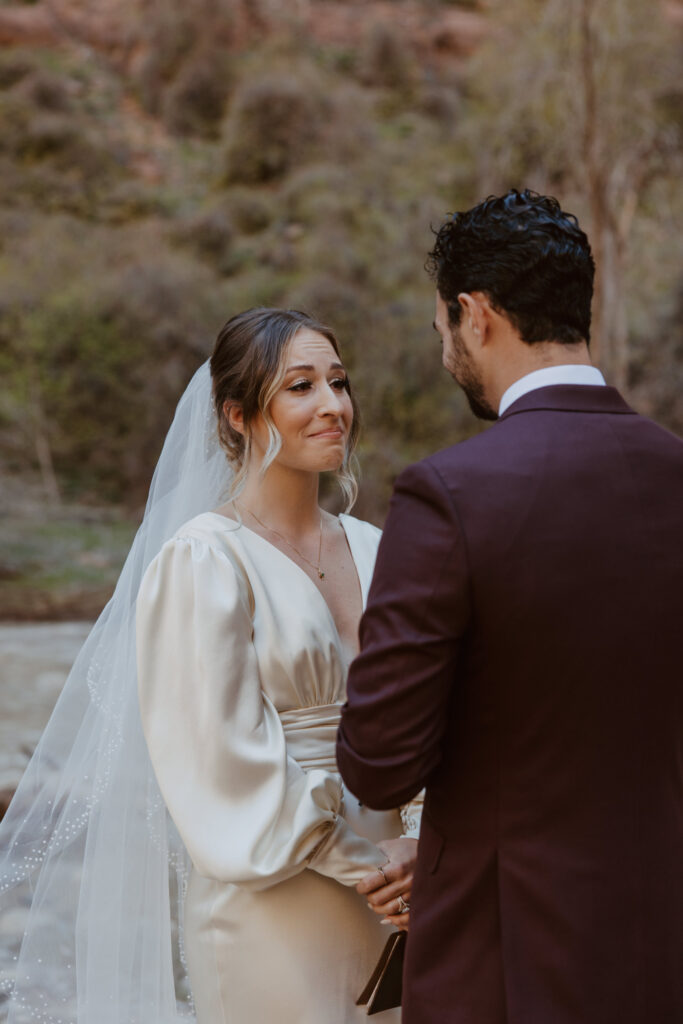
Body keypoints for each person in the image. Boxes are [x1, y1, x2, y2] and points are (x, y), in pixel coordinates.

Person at [0, 308, 419, 1024]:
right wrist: (363, 862)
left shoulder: (383, 547)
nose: (332, 406)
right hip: (277, 896)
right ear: (237, 414)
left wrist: (422, 845)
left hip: (407, 893)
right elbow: (219, 760)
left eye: (339, 383)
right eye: (301, 387)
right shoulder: (204, 560)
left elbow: (434, 715)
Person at [337, 190, 683, 1024]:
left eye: (440, 328)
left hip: (508, 950)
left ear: (474, 313)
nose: (445, 348)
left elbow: (380, 758)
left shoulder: (448, 495)